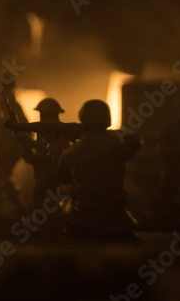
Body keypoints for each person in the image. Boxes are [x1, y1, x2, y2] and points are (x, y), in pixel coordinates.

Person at [57, 100, 140, 239]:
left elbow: (63, 178)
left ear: (83, 120)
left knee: (64, 207)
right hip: (115, 213)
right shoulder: (119, 145)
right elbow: (135, 140)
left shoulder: (72, 151)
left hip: (82, 213)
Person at [7, 98, 74, 209]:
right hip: (42, 175)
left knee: (54, 208)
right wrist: (24, 144)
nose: (43, 118)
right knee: (39, 203)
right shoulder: (42, 132)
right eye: (42, 115)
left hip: (56, 178)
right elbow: (34, 158)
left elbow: (54, 152)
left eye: (47, 115)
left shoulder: (61, 133)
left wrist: (29, 143)